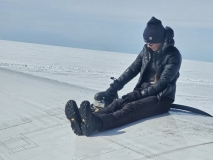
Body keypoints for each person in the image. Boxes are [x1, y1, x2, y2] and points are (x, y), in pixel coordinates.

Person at [65, 17, 182, 136]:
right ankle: (86, 120)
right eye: (146, 42)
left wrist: (139, 95)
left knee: (131, 108)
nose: (148, 45)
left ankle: (97, 123)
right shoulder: (146, 50)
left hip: (161, 98)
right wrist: (113, 88)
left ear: (160, 40)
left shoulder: (173, 55)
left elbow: (163, 83)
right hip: (142, 91)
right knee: (118, 103)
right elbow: (132, 70)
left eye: (151, 43)